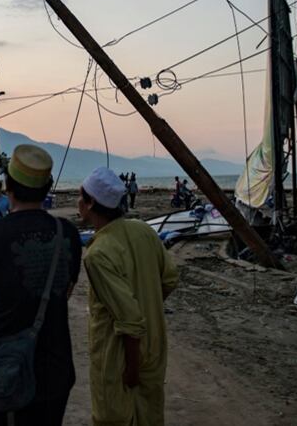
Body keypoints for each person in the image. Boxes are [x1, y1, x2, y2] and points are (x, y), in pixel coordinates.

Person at [0, 144, 82, 426]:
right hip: (56, 366)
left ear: (8, 186)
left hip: (6, 364)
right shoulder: (69, 233)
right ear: (47, 187)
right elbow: (68, 288)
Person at [77, 166, 179, 426]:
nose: (78, 202)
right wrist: (148, 305)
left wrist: (131, 368)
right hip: (154, 345)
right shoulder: (143, 231)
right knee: (150, 415)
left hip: (120, 356)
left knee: (113, 416)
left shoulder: (98, 254)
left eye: (81, 197)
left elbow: (129, 320)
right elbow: (169, 279)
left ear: (91, 203)